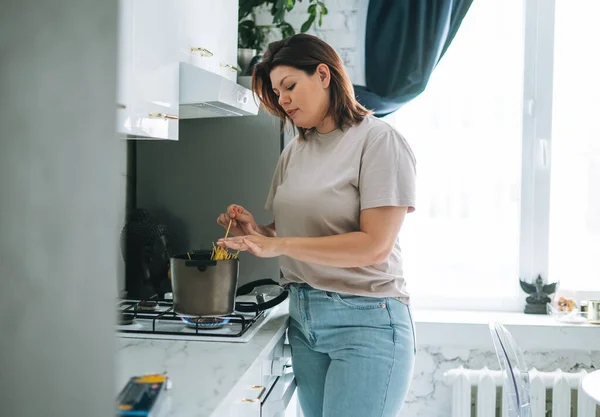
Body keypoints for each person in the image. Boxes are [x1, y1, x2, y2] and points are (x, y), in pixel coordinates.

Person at [216, 34, 417, 417]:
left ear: (323, 74)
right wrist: (256, 232)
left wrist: (281, 245)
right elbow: (289, 234)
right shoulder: (295, 150)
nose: (282, 100)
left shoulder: (378, 142)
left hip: (366, 322)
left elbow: (374, 245)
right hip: (304, 319)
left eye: (289, 86)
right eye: (276, 93)